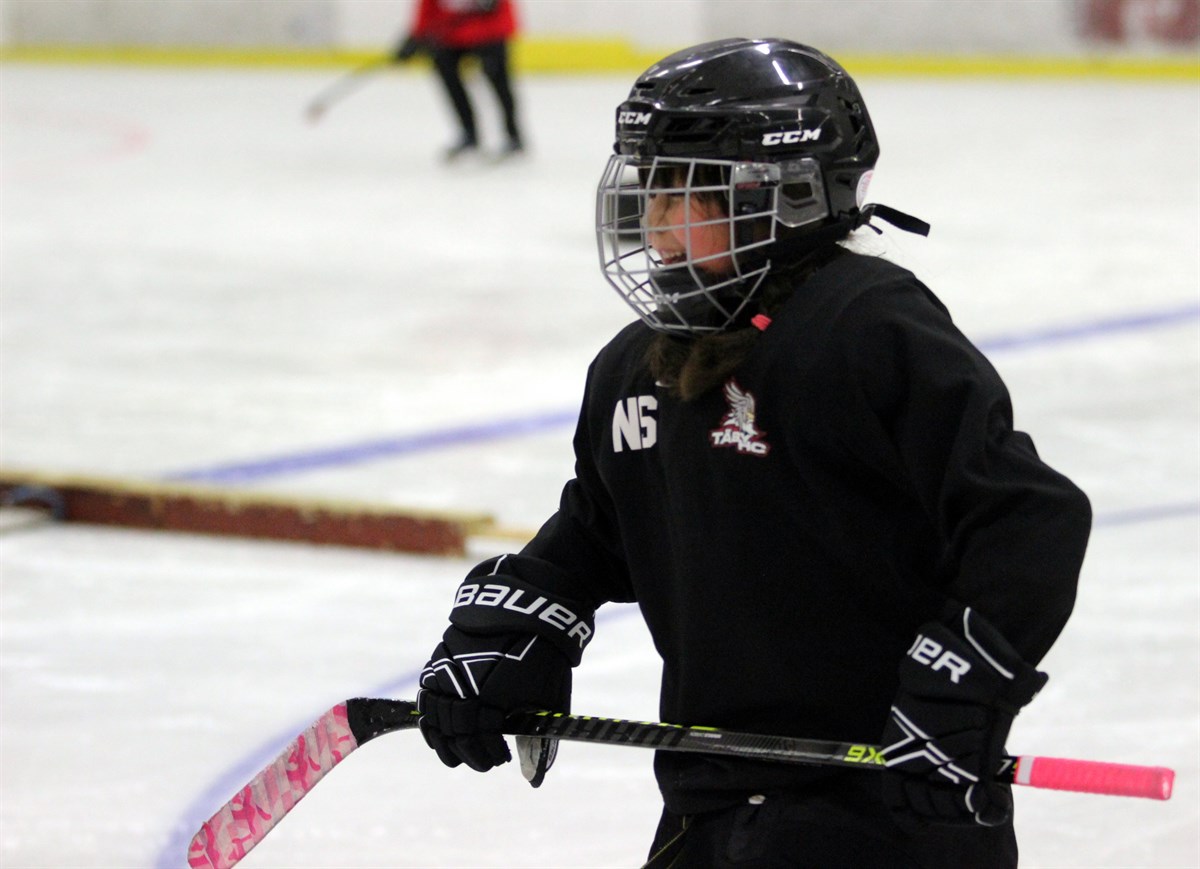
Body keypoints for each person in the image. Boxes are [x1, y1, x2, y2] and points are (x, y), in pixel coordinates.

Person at [415, 37, 1091, 868]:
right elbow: (601, 526)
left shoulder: (867, 329)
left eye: (686, 192)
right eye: (650, 188)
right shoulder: (636, 365)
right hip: (710, 806)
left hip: (885, 812)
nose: (654, 223)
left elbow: (1026, 519)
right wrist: (522, 620)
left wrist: (961, 687)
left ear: (788, 194)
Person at [394, 0, 524, 160]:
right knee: (446, 70)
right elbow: (428, 7)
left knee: (499, 78)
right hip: (452, 35)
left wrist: (498, 30)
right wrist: (416, 36)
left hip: (489, 31)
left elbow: (497, 7)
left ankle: (513, 136)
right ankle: (469, 134)